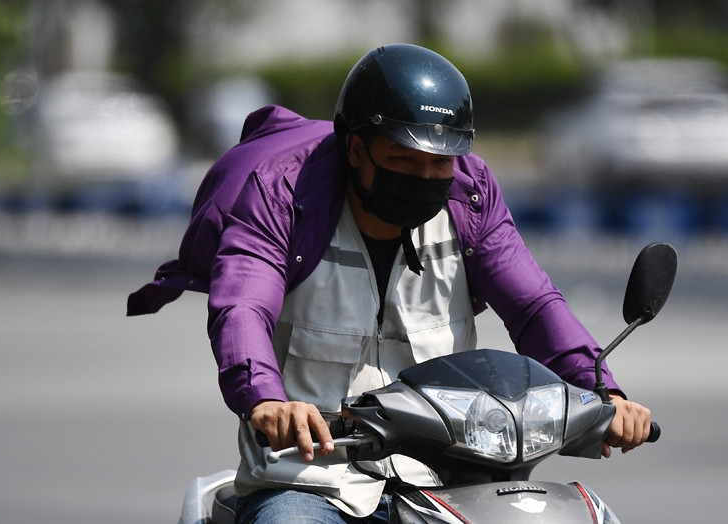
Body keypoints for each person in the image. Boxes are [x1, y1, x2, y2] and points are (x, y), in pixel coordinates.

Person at [127, 43, 652, 523]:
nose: (424, 178)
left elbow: (534, 306)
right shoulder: (282, 195)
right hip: (313, 481)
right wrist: (265, 399)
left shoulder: (470, 198)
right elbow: (243, 307)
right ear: (356, 150)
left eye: (440, 162)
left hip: (449, 479)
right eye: (403, 159)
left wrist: (601, 389)